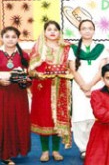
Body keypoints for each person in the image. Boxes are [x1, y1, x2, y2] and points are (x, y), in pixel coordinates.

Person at [29, 20, 72, 162]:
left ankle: (55, 150)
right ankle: (45, 151)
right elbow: (31, 69)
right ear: (45, 32)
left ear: (59, 32)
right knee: (44, 119)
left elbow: (70, 67)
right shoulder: (38, 47)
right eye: (49, 29)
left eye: (55, 29)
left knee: (58, 119)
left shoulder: (66, 47)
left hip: (60, 86)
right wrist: (38, 74)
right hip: (42, 87)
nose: (52, 32)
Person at [68, 19, 108, 159]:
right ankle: (83, 148)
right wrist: (83, 86)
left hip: (97, 85)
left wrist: (90, 85)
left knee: (95, 116)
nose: (87, 30)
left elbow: (102, 68)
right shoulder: (73, 48)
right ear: (79, 31)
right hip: (79, 87)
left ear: (94, 30)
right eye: (84, 28)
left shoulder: (101, 47)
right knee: (80, 117)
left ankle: (96, 146)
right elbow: (73, 69)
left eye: (90, 28)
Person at [0, 27, 31, 165]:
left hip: (19, 95)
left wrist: (25, 80)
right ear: (2, 38)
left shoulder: (24, 55)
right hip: (2, 94)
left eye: (13, 36)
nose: (10, 39)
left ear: (18, 38)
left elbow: (29, 77)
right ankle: (4, 154)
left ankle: (14, 151)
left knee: (16, 122)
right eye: (7, 36)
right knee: (3, 122)